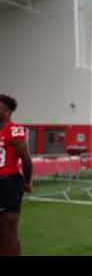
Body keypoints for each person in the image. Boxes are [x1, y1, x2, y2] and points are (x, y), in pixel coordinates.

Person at [0, 94, 33, 256]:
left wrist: (27, 182)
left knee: (9, 229)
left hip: (9, 183)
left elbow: (26, 159)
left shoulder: (15, 130)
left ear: (7, 111)